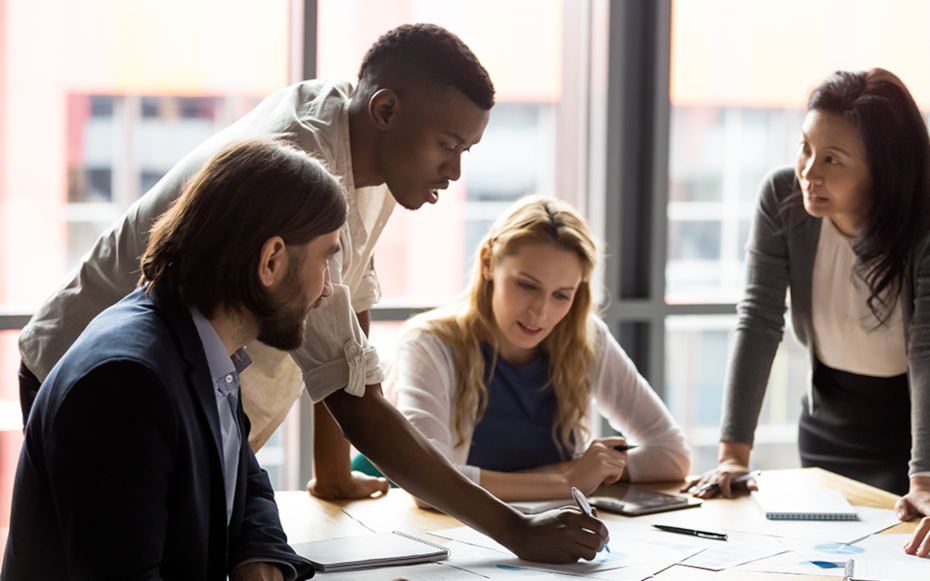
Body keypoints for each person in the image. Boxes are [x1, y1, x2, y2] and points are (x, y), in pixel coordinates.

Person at [17, 23, 494, 500]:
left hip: (191, 401)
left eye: (465, 151)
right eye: (448, 146)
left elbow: (349, 310)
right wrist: (519, 532)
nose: (454, 171)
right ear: (386, 109)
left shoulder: (373, 140)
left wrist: (333, 473)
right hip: (99, 380)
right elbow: (359, 405)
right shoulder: (302, 169)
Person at [2, 139, 341, 580]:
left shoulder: (201, 345)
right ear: (271, 260)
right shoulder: (127, 384)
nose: (328, 288)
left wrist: (257, 556)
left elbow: (246, 480)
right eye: (326, 260)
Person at [681, 68, 930, 548]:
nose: (808, 173)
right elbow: (758, 318)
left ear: (885, 168)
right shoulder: (783, 200)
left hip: (916, 439)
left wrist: (923, 477)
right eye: (805, 147)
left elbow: (926, 350)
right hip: (827, 425)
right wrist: (734, 454)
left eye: (833, 159)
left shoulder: (922, 224)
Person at [390, 195, 690, 502]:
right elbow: (428, 484)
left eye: (561, 295)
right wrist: (568, 480)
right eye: (527, 286)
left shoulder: (585, 338)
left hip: (557, 533)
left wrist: (591, 471)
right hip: (457, 533)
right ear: (488, 262)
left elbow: (672, 454)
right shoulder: (429, 345)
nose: (540, 313)